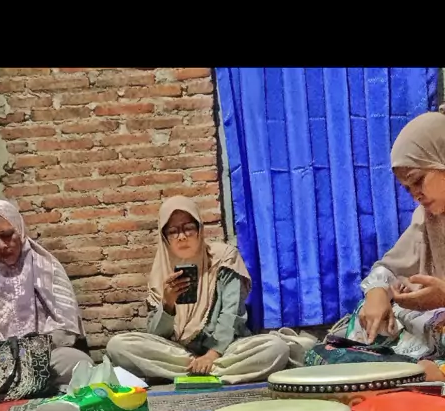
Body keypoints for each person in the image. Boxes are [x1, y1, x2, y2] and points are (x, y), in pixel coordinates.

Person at [106, 196, 313, 384]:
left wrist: (212, 355)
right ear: (164, 237)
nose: (181, 237)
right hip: (179, 351)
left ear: (200, 229)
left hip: (226, 349)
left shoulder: (223, 258)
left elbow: (232, 313)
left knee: (275, 348)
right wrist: (168, 304)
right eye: (173, 231)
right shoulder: (161, 270)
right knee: (118, 346)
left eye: (188, 228)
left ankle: (189, 372)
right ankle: (206, 371)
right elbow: (156, 336)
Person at [320, 110, 445, 380]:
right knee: (370, 317)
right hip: (431, 325)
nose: (416, 195)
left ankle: (420, 371)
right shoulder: (428, 218)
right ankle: (410, 369)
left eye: (418, 180)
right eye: (407, 188)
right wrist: (377, 293)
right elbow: (391, 267)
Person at [0, 199, 92, 390]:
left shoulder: (46, 266)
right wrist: (0, 352)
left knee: (78, 362)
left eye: (7, 235)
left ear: (20, 230)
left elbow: (66, 323)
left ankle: (16, 385)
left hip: (43, 355)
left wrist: (32, 349)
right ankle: (30, 384)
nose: (2, 245)